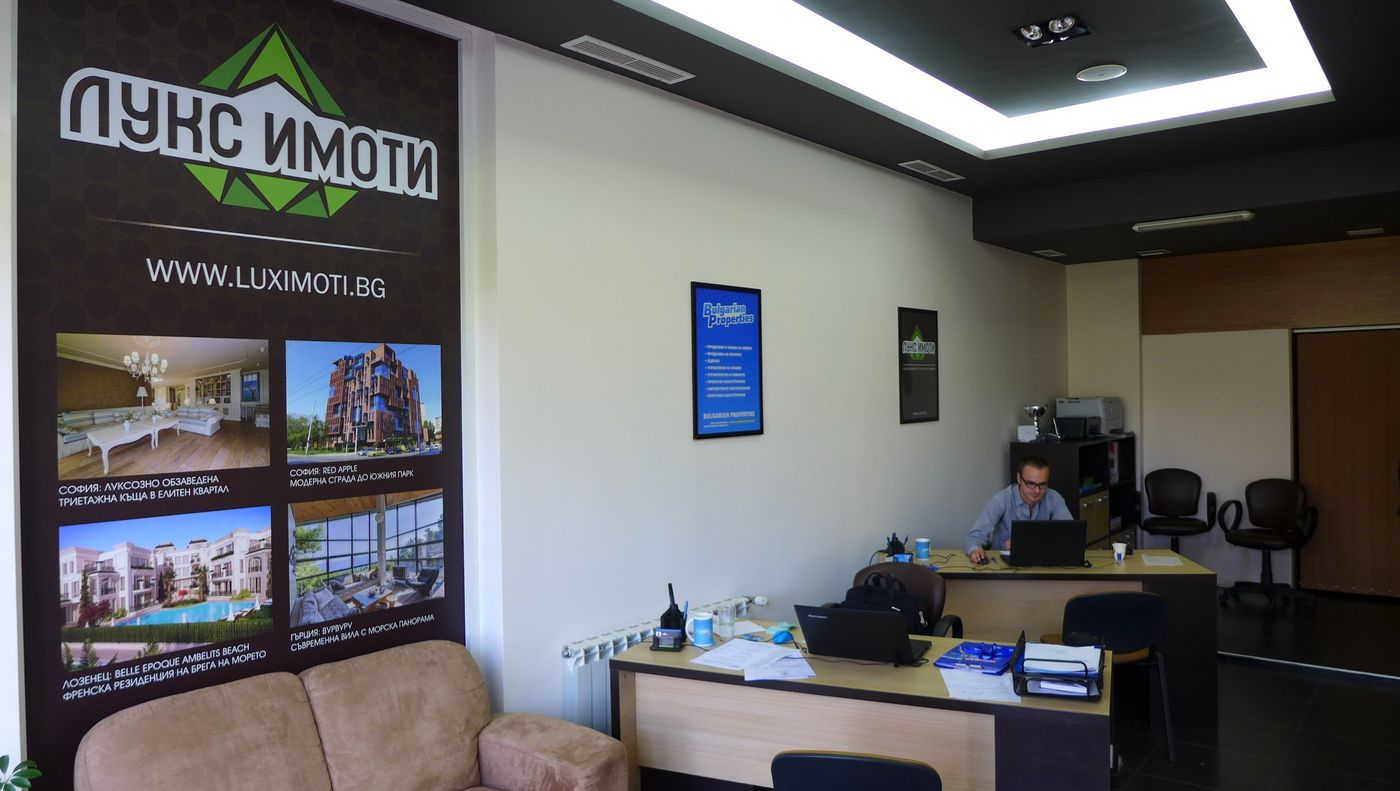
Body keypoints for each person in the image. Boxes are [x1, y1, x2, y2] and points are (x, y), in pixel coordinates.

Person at [966, 456, 1072, 562]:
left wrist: (1026, 542)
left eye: (1042, 484)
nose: (1037, 491)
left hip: (1041, 560)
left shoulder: (1054, 498)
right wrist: (975, 550)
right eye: (1031, 483)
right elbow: (976, 536)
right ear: (1018, 478)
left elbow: (1068, 533)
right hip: (1003, 563)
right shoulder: (1001, 499)